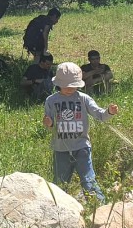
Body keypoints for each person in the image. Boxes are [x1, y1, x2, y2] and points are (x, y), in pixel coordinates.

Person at [42, 62, 118, 203]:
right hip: (61, 149)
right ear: (58, 83)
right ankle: (58, 207)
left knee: (88, 180)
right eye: (67, 85)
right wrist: (49, 123)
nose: (71, 88)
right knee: (60, 182)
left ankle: (98, 205)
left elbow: (100, 115)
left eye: (73, 85)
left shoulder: (83, 99)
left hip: (82, 147)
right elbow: (50, 123)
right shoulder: (51, 100)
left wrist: (109, 112)